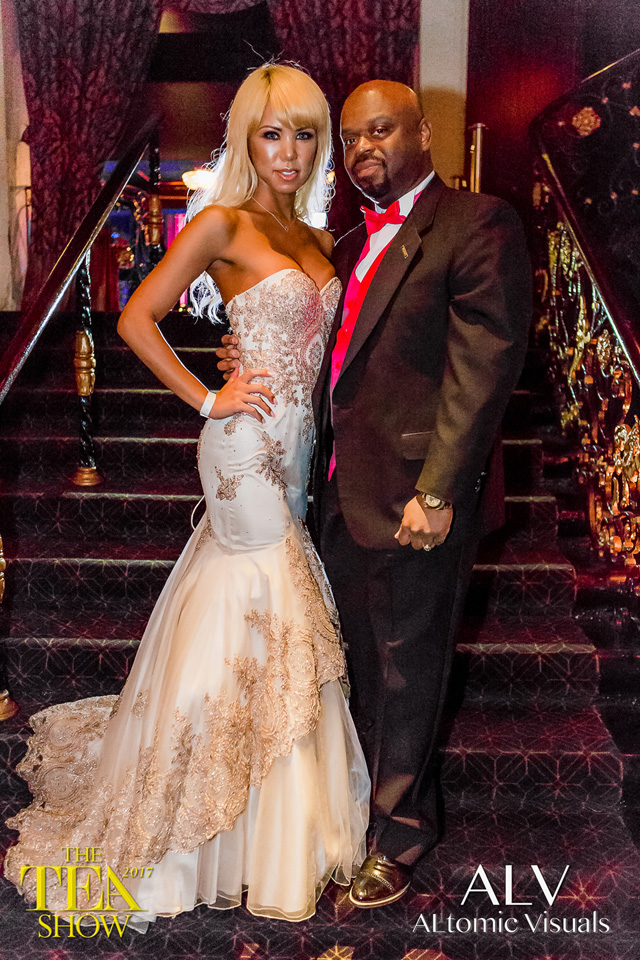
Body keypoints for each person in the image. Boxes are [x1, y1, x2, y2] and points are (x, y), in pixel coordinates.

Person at [4, 63, 369, 928]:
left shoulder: (318, 237)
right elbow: (138, 318)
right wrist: (209, 398)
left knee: (262, 617)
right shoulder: (223, 222)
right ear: (245, 140)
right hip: (242, 449)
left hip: (298, 450)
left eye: (304, 134)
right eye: (272, 134)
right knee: (277, 601)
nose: (289, 152)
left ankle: (244, 812)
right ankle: (234, 832)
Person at [218, 79, 532, 908]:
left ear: (423, 133)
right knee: (355, 666)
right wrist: (248, 357)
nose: (364, 149)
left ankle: (399, 836)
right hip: (334, 494)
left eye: (382, 131)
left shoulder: (477, 222)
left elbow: (482, 367)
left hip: (415, 497)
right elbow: (331, 351)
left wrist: (440, 490)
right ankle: (351, 818)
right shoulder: (352, 239)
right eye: (352, 137)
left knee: (406, 673)